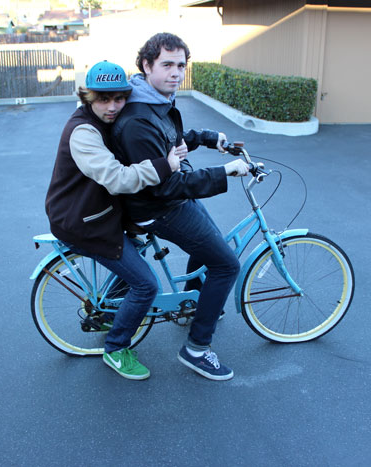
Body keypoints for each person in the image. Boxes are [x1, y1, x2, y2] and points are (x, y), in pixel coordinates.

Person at [111, 33, 250, 381]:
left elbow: (171, 145)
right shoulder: (138, 119)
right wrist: (224, 172)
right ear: (146, 65)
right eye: (167, 65)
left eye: (181, 66)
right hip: (158, 206)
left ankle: (197, 305)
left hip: (169, 198)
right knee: (227, 265)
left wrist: (205, 137)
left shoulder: (156, 101)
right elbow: (166, 183)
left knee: (211, 245)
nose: (176, 73)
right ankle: (197, 349)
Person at [44, 60, 184, 381]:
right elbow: (117, 178)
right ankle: (116, 348)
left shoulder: (110, 122)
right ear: (88, 98)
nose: (112, 107)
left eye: (119, 98)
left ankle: (112, 313)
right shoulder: (83, 132)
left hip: (97, 213)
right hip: (82, 223)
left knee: (138, 248)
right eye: (103, 99)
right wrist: (166, 165)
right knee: (146, 285)